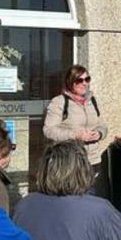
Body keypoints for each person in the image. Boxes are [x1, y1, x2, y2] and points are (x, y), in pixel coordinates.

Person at [43, 65, 108, 193]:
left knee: (90, 197)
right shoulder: (59, 102)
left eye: (87, 79)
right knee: (72, 197)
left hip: (92, 160)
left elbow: (103, 126)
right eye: (79, 80)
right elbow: (48, 130)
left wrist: (99, 134)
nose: (84, 83)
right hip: (69, 161)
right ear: (71, 82)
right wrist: (76, 135)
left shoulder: (93, 101)